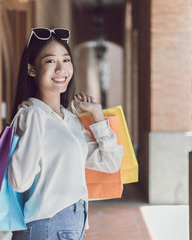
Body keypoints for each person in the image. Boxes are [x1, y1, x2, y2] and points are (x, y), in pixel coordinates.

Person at [8, 27, 123, 240]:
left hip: (72, 228)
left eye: (66, 60)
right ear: (31, 69)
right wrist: (33, 122)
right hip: (46, 227)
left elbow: (110, 163)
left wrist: (97, 115)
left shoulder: (70, 120)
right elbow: (19, 182)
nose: (61, 69)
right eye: (50, 61)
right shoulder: (32, 115)